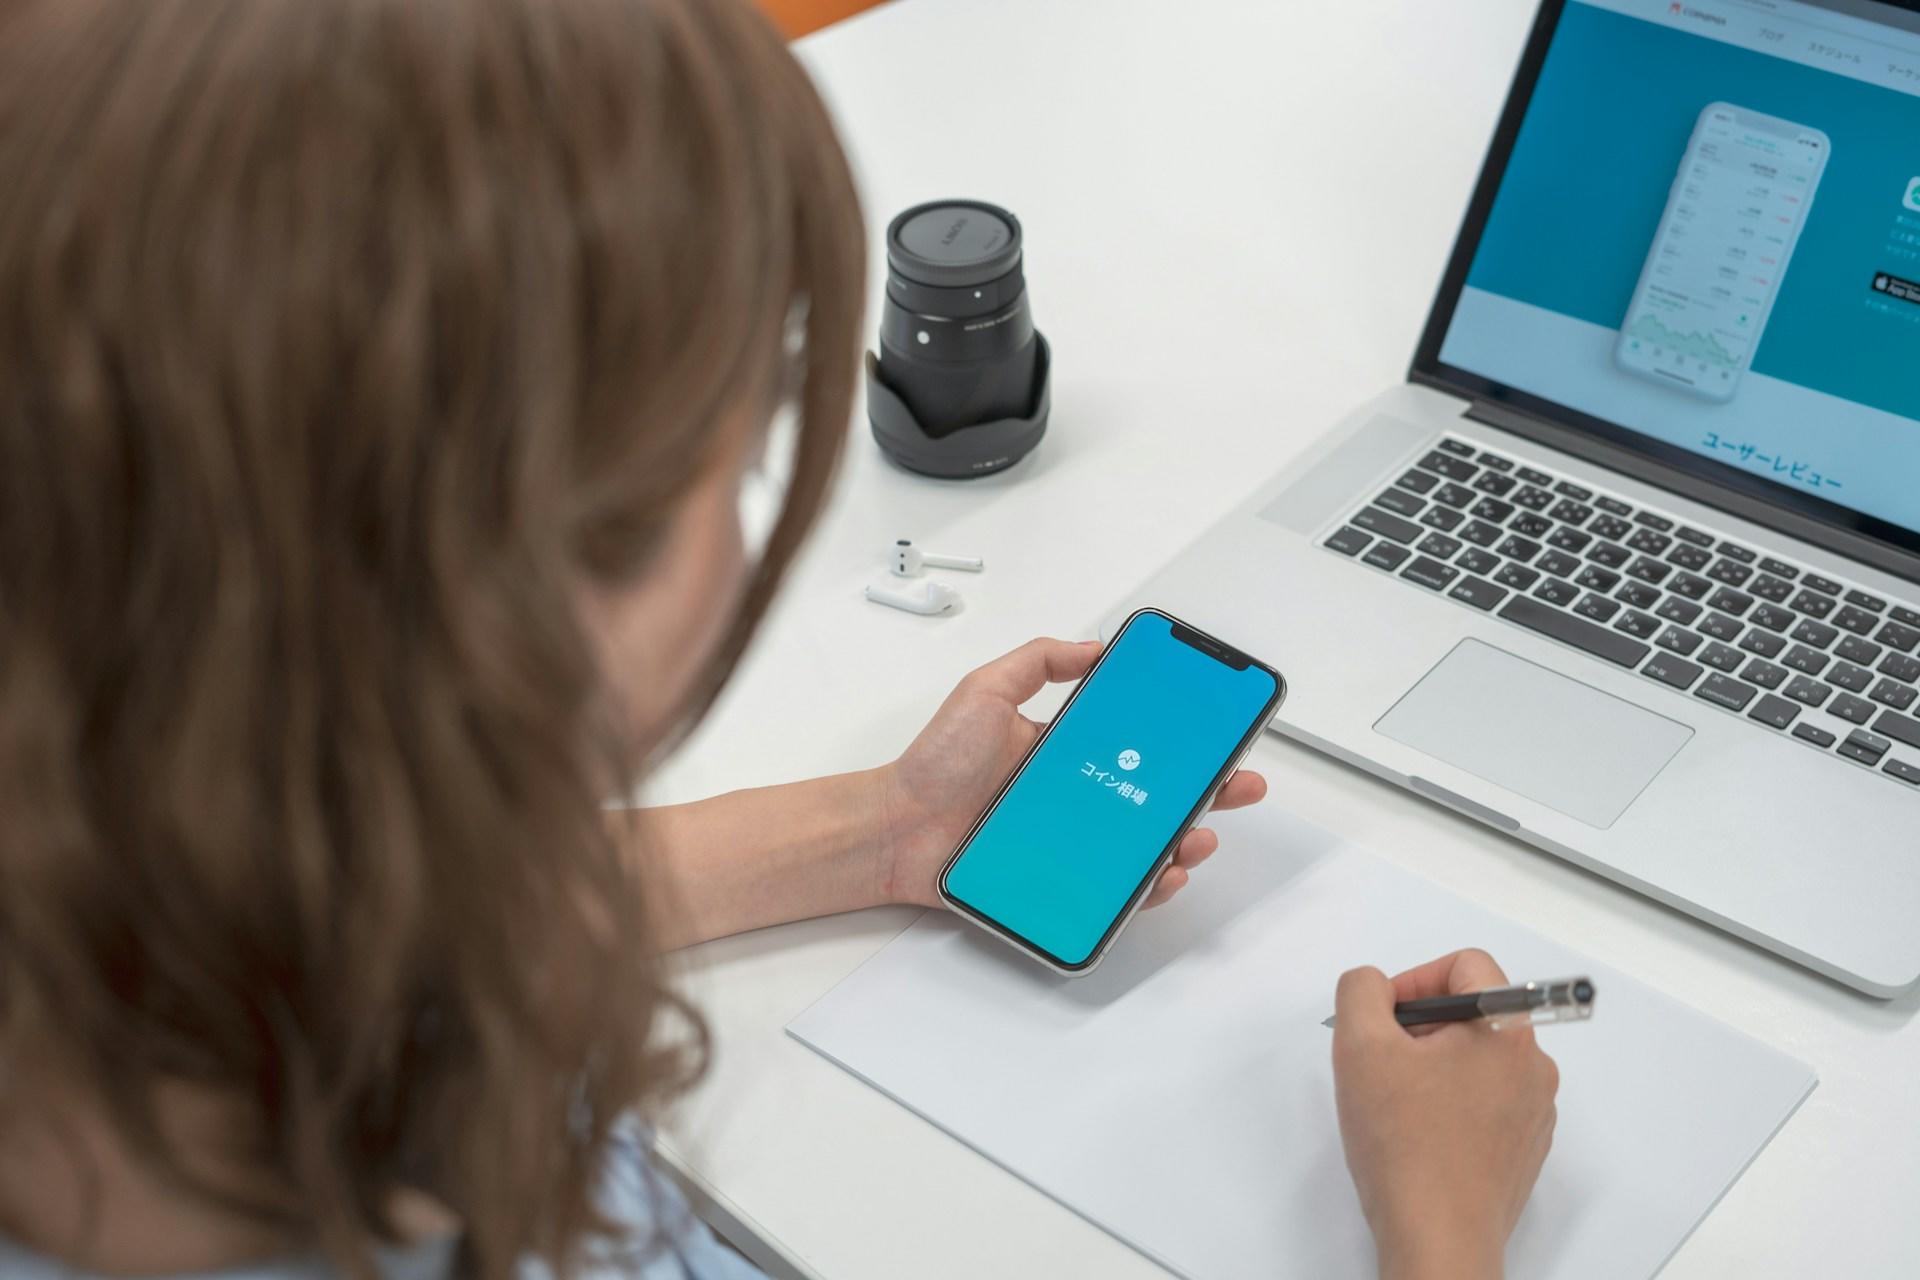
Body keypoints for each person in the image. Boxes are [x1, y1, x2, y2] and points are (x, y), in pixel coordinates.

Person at [0, 1, 1559, 1278]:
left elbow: (347, 910)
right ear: (511, 597)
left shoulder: (138, 854)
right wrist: (1442, 1232)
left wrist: (881, 832)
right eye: (727, 445)